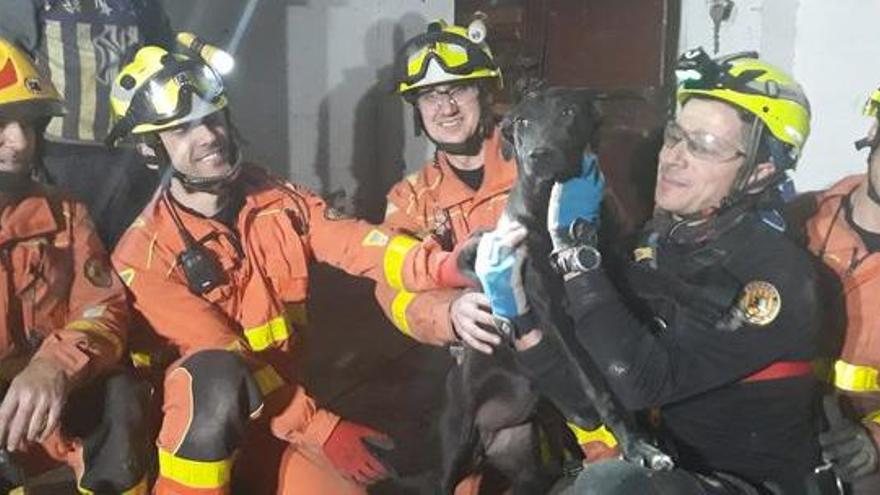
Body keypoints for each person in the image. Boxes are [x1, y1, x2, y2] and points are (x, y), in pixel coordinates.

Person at [471, 48, 838, 494]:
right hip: (668, 473)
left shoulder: (776, 275)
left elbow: (642, 382)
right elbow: (587, 404)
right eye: (675, 135)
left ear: (760, 171)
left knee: (605, 487)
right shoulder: (657, 244)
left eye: (704, 146)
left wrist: (576, 251)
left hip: (752, 484)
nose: (674, 157)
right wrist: (519, 316)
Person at [107, 43, 442, 494]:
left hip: (274, 421)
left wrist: (443, 267)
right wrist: (322, 428)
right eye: (182, 129)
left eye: (212, 117)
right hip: (188, 437)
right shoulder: (142, 256)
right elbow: (227, 356)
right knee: (215, 379)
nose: (207, 136)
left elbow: (355, 242)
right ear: (152, 151)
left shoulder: (276, 201)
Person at [0, 36, 149, 494]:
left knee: (121, 392)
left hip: (44, 409)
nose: (19, 141)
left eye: (30, 125)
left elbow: (104, 310)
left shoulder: (65, 213)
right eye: (1, 123)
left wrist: (53, 365)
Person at [0, 0, 173, 248]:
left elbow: (162, 56)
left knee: (134, 248)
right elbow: (8, 58)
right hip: (62, 154)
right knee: (74, 246)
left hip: (133, 152)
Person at [801, 86, 880, 493]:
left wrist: (875, 441)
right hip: (778, 427)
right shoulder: (798, 218)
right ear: (874, 132)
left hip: (860, 458)